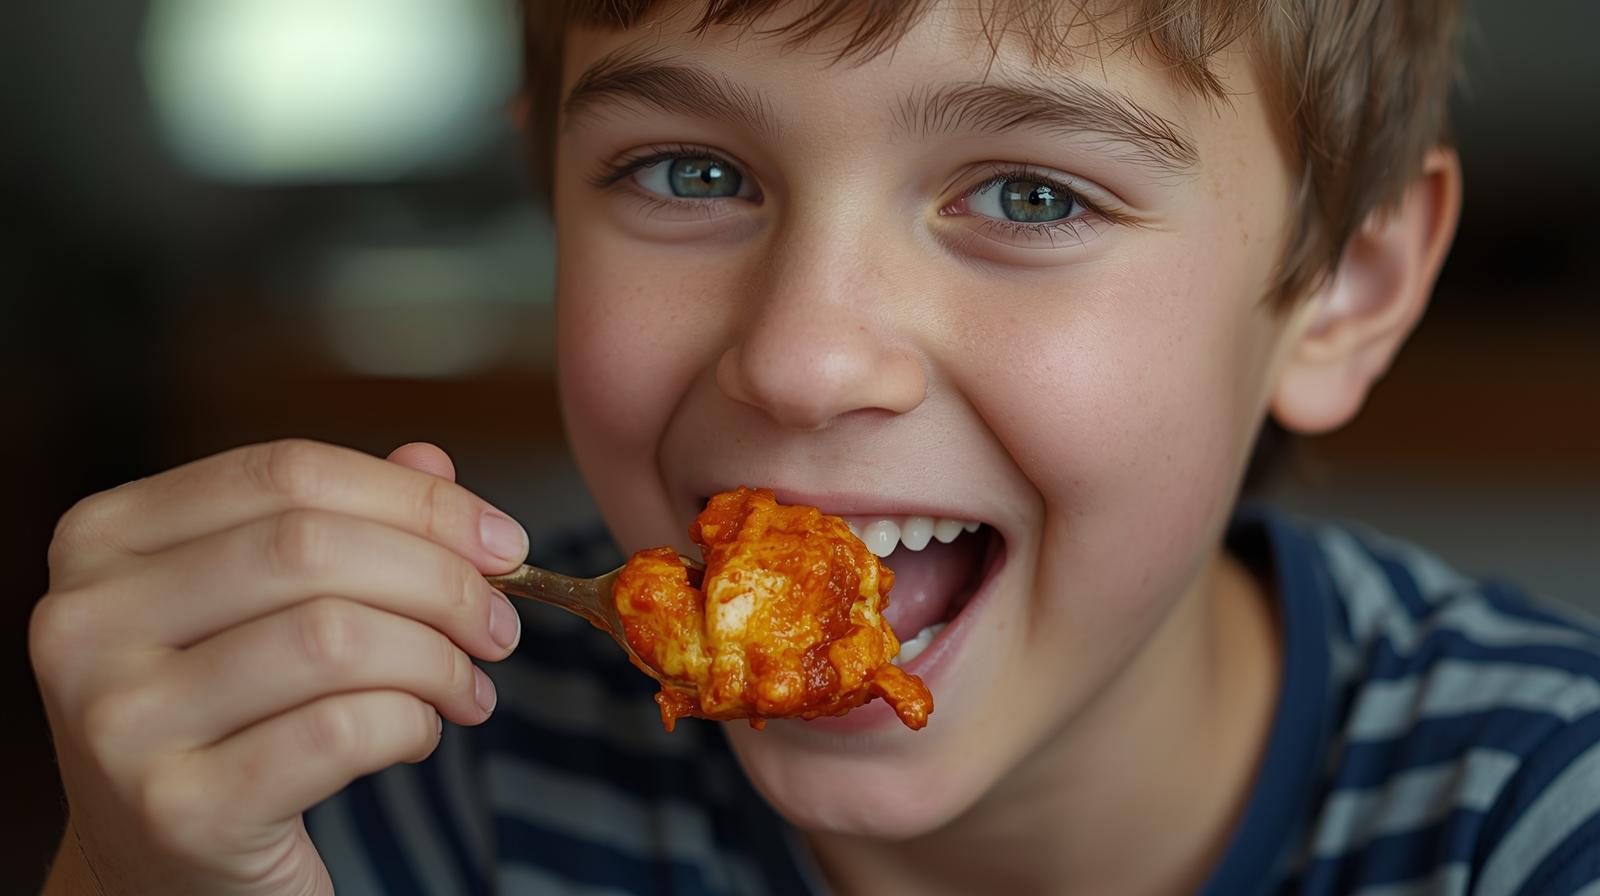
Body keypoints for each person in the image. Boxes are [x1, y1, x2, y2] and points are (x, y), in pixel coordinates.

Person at [29, 1, 1600, 893]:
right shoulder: (411, 785)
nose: (799, 354)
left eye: (1032, 195)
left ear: (1345, 286)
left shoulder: (1544, 823)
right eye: (688, 171)